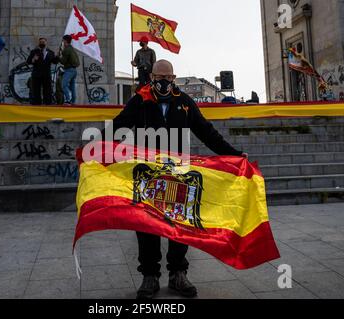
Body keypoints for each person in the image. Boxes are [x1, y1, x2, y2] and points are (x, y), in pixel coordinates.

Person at [110, 60, 248, 299]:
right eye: (159, 76)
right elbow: (117, 127)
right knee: (147, 227)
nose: (163, 81)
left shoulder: (184, 102)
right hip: (148, 175)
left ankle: (178, 274)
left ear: (174, 78)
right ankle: (150, 276)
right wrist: (93, 148)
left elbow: (206, 132)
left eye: (168, 76)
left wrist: (234, 155)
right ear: (151, 76)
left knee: (179, 225)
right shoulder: (139, 101)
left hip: (178, 174)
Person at [27, 37, 59, 105]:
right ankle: (37, 104)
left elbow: (55, 62)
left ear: (46, 43)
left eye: (43, 42)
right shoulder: (34, 51)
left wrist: (57, 57)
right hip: (36, 75)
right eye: (40, 42)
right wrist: (33, 59)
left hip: (46, 75)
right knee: (36, 90)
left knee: (47, 90)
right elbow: (28, 61)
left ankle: (47, 104)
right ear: (38, 43)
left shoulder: (51, 52)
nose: (42, 43)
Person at [59, 35, 80, 105]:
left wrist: (59, 56)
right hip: (74, 71)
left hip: (69, 70)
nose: (62, 42)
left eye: (63, 40)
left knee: (63, 85)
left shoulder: (66, 50)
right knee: (72, 87)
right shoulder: (72, 49)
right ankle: (73, 101)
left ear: (65, 41)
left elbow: (63, 61)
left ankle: (68, 99)